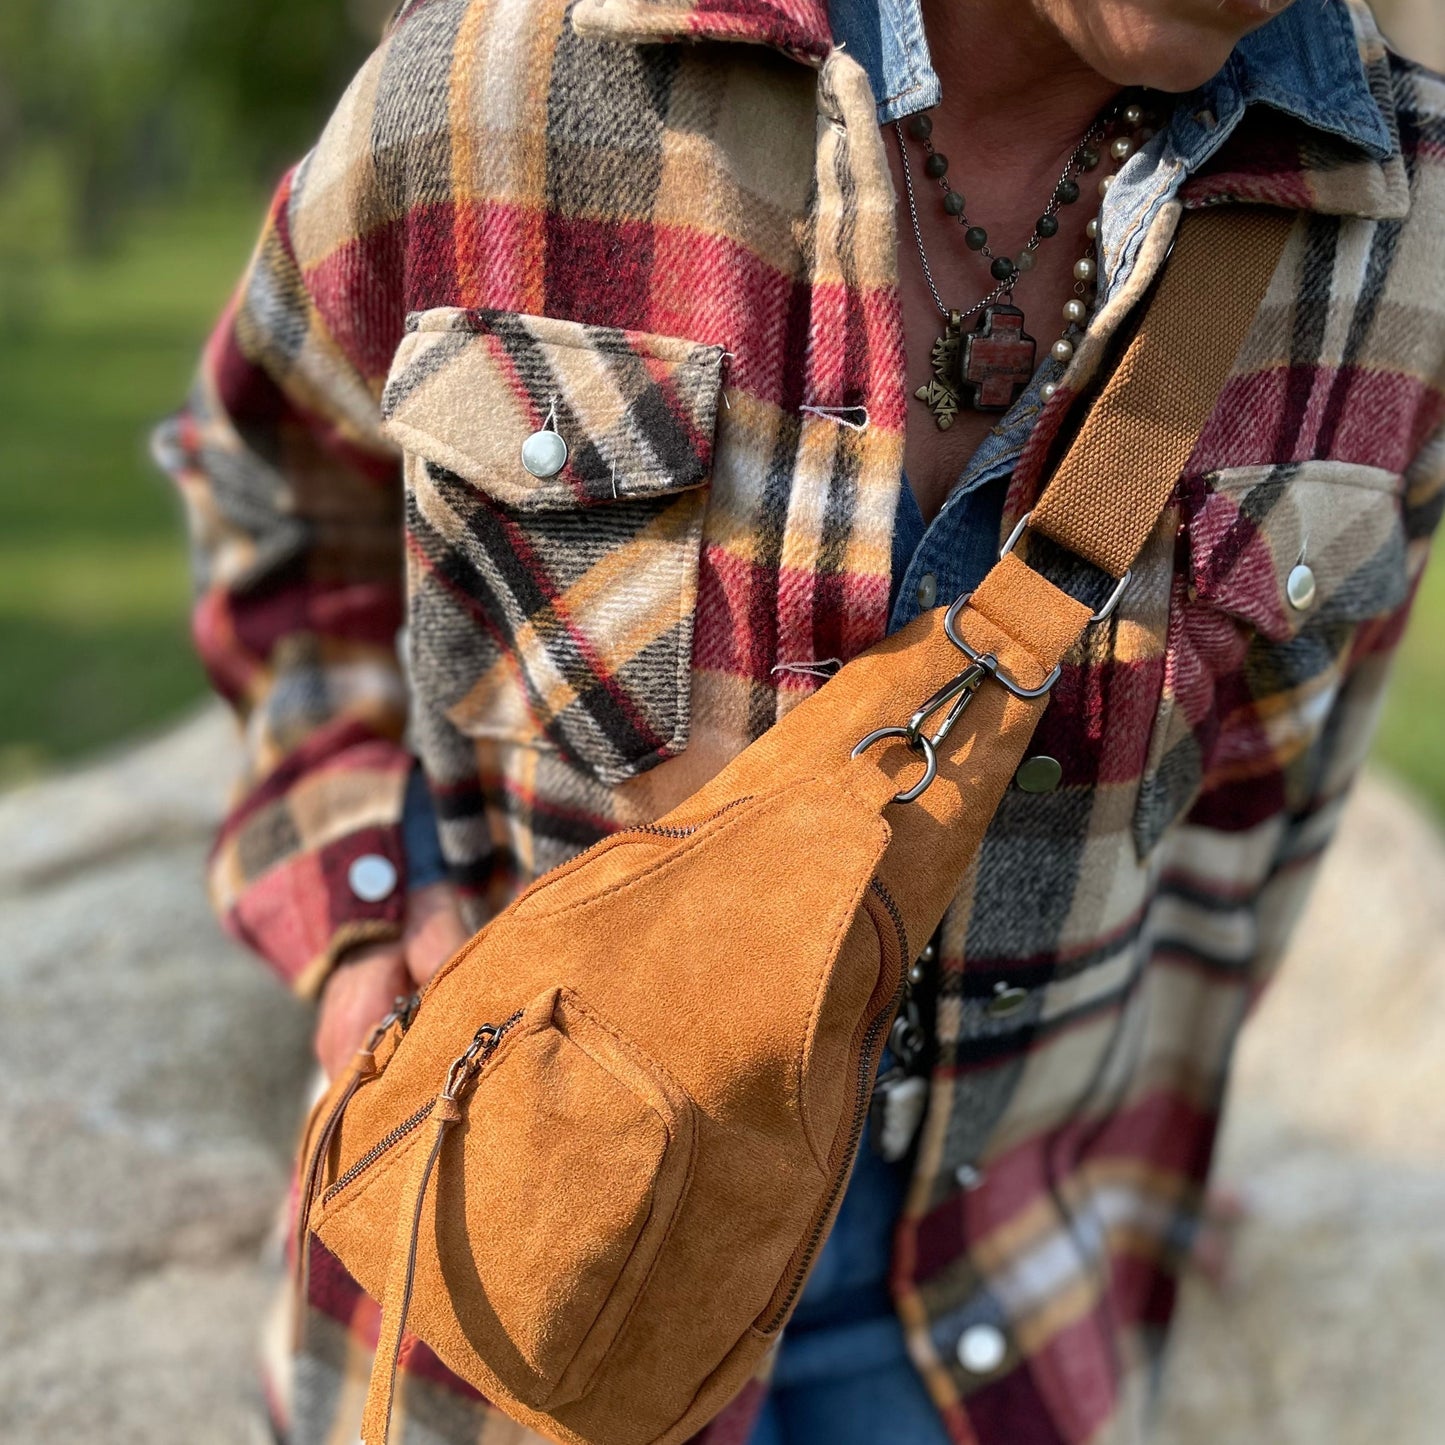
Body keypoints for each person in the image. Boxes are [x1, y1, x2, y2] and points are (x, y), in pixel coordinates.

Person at [155, 0, 1445, 1440]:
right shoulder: (511, 79)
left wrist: (1149, 1155)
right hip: (499, 1294)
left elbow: (1264, 811)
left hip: (992, 1328)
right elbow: (280, 488)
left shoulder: (1405, 238)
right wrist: (358, 904)